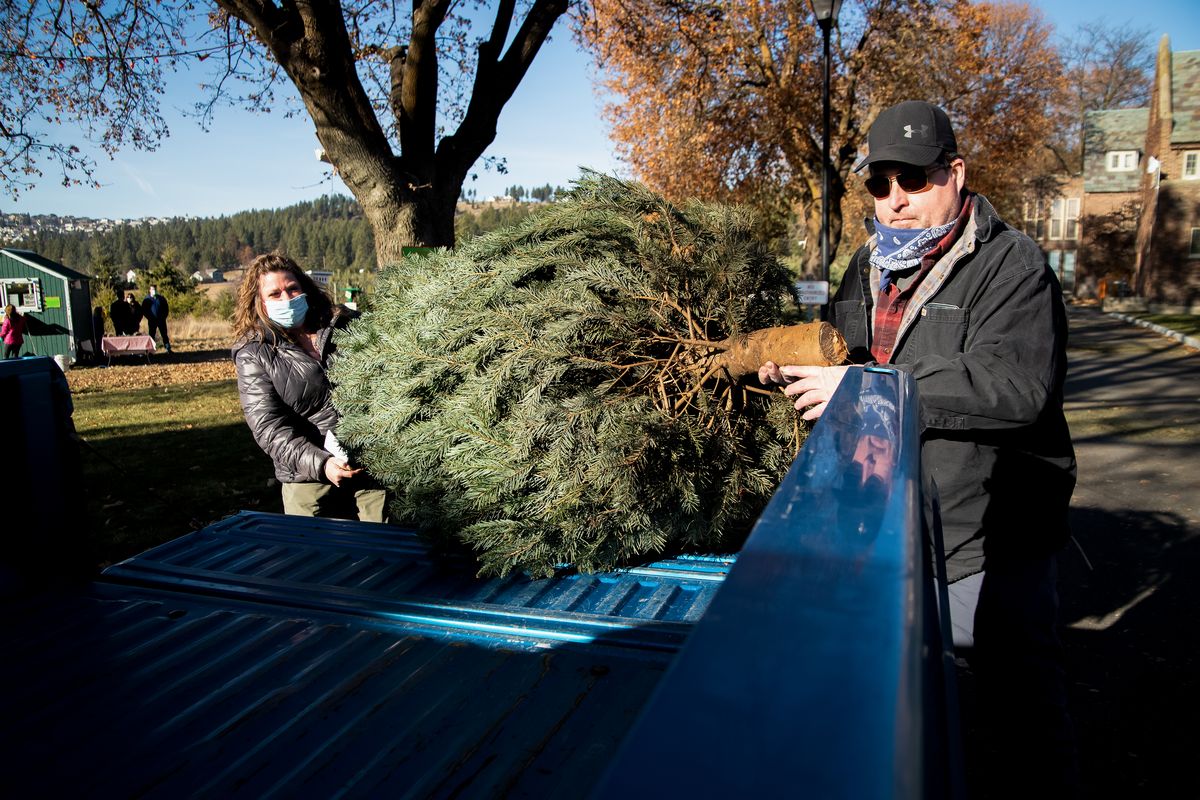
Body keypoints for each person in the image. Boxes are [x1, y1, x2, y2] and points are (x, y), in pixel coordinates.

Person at [759, 101, 1078, 795]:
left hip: (985, 541)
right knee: (920, 727)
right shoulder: (865, 265)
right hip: (890, 536)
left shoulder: (1012, 265)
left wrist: (869, 386)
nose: (896, 201)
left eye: (915, 179)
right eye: (880, 184)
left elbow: (1014, 386)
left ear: (955, 173)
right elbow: (842, 353)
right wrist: (789, 360)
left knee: (1020, 729)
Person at [232, 252, 387, 522]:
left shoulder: (344, 325)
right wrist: (322, 463)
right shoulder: (254, 353)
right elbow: (268, 427)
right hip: (308, 479)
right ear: (260, 303)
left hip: (371, 466)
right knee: (323, 557)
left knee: (389, 549)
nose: (287, 299)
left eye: (292, 289)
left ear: (304, 288)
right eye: (275, 294)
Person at [141, 285, 170, 352]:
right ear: (149, 290)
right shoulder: (146, 300)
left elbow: (166, 308)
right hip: (152, 321)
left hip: (161, 320)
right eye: (152, 289)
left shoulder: (161, 298)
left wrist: (164, 317)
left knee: (164, 334)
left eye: (155, 289)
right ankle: (151, 350)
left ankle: (168, 348)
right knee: (152, 335)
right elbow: (144, 310)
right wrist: (149, 317)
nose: (154, 290)